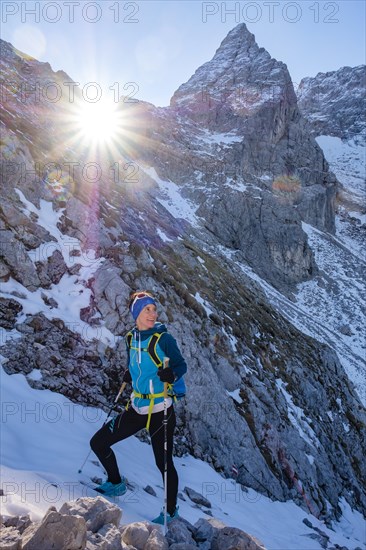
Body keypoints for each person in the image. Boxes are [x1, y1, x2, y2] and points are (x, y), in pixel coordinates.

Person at [90, 290, 187, 524]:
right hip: (136, 408)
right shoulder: (131, 338)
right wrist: (130, 374)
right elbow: (135, 363)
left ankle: (170, 512)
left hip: (161, 410)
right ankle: (116, 483)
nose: (152, 314)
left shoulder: (164, 339)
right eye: (147, 309)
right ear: (136, 313)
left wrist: (171, 373)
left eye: (154, 309)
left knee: (163, 463)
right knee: (98, 442)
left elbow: (181, 365)